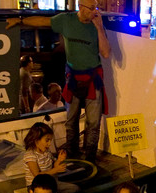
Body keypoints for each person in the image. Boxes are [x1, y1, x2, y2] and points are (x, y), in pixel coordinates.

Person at [24, 0, 111, 161]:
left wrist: (99, 27)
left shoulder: (96, 25)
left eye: (96, 8)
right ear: (80, 7)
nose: (94, 11)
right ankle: (72, 153)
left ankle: (90, 157)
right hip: (73, 77)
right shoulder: (66, 20)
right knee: (71, 120)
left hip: (93, 78)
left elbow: (106, 53)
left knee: (93, 123)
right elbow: (43, 21)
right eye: (91, 8)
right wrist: (20, 21)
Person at [22, 122, 68, 186]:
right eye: (47, 140)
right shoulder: (30, 155)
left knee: (74, 189)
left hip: (50, 183)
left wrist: (60, 159)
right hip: (37, 187)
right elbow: (37, 175)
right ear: (36, 140)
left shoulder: (47, 152)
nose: (49, 144)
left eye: (50, 141)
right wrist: (55, 170)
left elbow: (54, 165)